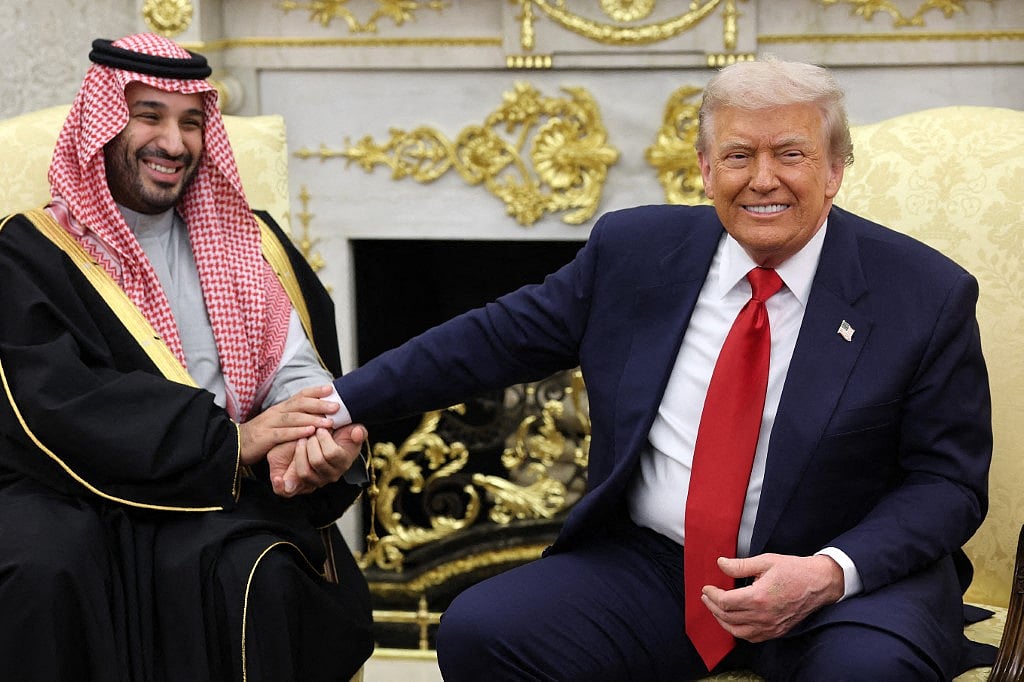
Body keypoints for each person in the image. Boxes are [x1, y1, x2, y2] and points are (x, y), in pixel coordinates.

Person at [331, 58, 995, 680]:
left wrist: (829, 571)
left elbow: (947, 483)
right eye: (739, 155)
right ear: (705, 169)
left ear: (834, 170)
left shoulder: (924, 294)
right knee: (483, 631)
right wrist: (337, 405)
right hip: (661, 567)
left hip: (844, 583)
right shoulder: (636, 252)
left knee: (869, 672)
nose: (763, 178)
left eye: (790, 154)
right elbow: (491, 340)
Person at [0, 34, 372, 681]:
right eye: (150, 116)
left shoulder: (247, 238)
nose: (174, 143)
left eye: (192, 122)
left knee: (259, 572)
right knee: (44, 566)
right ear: (103, 125)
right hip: (73, 485)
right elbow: (56, 400)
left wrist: (316, 434)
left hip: (222, 489)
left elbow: (293, 367)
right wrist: (230, 442)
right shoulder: (30, 252)